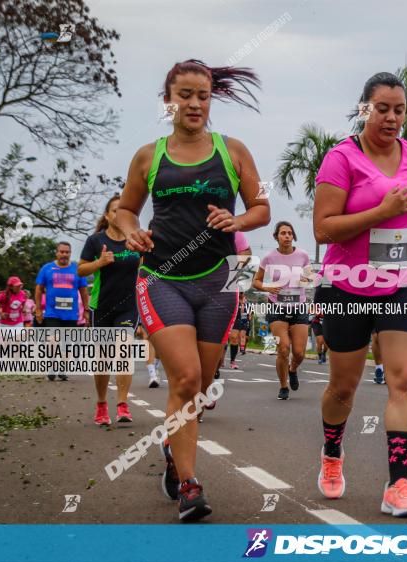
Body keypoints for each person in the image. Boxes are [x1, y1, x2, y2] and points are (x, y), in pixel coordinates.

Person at [116, 59, 269, 522]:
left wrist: (238, 220)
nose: (194, 104)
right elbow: (125, 209)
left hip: (218, 282)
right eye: (185, 95)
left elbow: (261, 207)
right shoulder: (149, 155)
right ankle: (188, 484)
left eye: (202, 96)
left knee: (198, 389)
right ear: (169, 101)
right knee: (182, 379)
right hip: (162, 277)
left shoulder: (234, 151)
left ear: (211, 99)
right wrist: (130, 231)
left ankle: (171, 451)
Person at [312, 72, 407, 517]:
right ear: (364, 108)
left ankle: (398, 485)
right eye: (382, 108)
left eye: (399, 109)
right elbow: (323, 227)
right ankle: (333, 453)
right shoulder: (341, 158)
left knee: (404, 379)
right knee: (343, 388)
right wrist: (380, 211)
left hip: (402, 283)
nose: (391, 117)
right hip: (347, 286)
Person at [78, 196, 142, 426]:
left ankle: (123, 405)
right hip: (101, 307)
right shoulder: (95, 241)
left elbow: (148, 268)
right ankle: (102, 403)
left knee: (124, 350)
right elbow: (80, 271)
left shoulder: (136, 240)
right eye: (114, 211)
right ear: (107, 216)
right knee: (103, 358)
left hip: (128, 307)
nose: (119, 215)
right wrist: (99, 263)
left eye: (123, 211)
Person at [252, 221, 312, 400]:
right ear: (276, 236)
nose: (287, 236)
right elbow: (256, 281)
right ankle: (283, 386)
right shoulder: (269, 258)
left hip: (299, 306)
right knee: (284, 348)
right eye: (283, 233)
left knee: (300, 352)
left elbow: (310, 279)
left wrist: (305, 280)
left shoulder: (303, 255)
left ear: (293, 236)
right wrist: (267, 287)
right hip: (276, 306)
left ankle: (293, 369)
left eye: (290, 233)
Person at [35, 242, 90, 381]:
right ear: (57, 253)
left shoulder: (77, 269)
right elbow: (38, 289)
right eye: (62, 252)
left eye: (67, 252)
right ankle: (53, 365)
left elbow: (83, 291)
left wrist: (86, 310)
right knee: (53, 341)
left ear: (70, 253)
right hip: (52, 312)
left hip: (71, 314)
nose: (64, 254)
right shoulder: (47, 269)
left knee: (67, 344)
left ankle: (62, 369)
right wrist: (38, 309)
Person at [214, 231, 253, 380]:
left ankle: (227, 362)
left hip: (224, 297)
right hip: (192, 290)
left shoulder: (230, 229)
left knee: (230, 337)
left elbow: (247, 254)